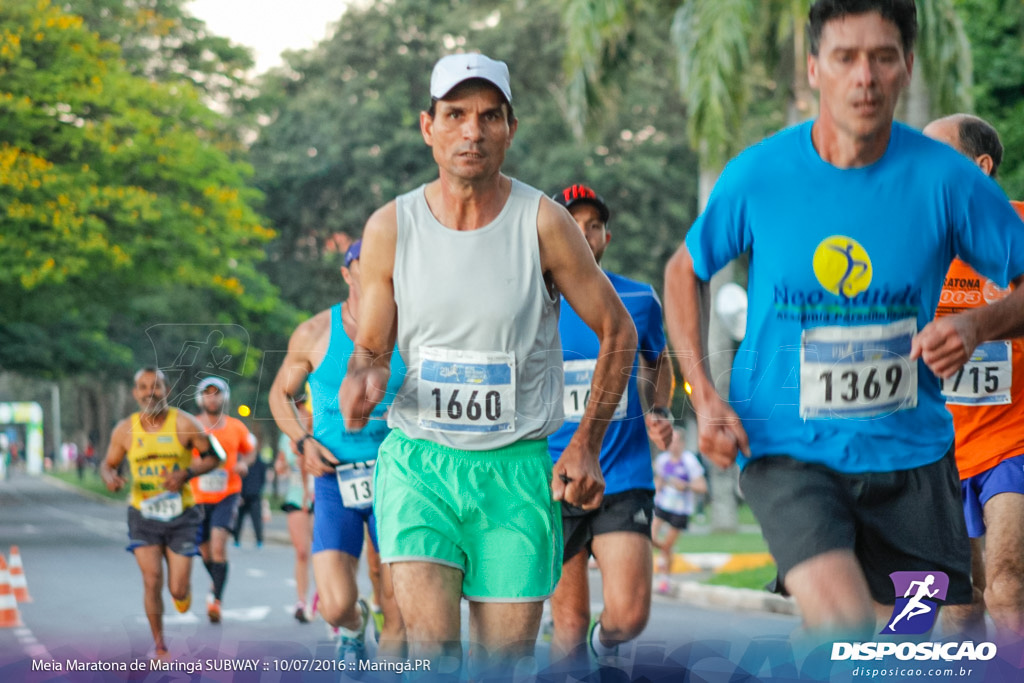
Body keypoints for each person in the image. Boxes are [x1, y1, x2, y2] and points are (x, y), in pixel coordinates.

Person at [663, 0, 1024, 636]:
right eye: (845, 58)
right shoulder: (760, 174)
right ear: (814, 69)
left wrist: (977, 325)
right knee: (846, 627)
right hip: (788, 450)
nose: (866, 77)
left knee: (927, 637)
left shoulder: (948, 180)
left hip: (911, 456)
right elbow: (683, 270)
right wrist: (704, 395)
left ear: (907, 66)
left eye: (883, 57)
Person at [339, 52, 637, 676]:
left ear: (510, 127)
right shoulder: (392, 227)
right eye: (455, 115)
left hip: (517, 475)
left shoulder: (545, 223)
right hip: (421, 466)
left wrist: (585, 443)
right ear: (428, 126)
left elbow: (619, 331)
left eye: (488, 116)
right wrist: (361, 380)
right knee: (433, 653)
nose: (471, 131)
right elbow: (371, 350)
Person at [545, 183, 674, 664]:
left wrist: (659, 411)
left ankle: (604, 652)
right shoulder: (533, 304)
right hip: (554, 479)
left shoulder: (638, 299)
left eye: (593, 226)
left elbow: (660, 362)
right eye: (573, 226)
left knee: (628, 616)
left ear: (606, 236)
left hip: (623, 472)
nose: (584, 234)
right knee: (570, 625)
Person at [269, 240, 406, 662]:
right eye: (366, 265)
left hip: (400, 480)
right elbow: (280, 395)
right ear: (347, 274)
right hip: (334, 480)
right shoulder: (314, 333)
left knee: (403, 605)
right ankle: (354, 624)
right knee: (335, 605)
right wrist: (302, 441)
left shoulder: (415, 330)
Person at [922, 113, 1024, 639]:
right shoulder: (912, 248)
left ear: (980, 168)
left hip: (1014, 441)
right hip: (937, 452)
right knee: (957, 604)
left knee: (1009, 588)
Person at [100, 367, 221, 658]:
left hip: (182, 514)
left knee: (177, 590)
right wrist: (110, 477)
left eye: (156, 386)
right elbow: (108, 464)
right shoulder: (124, 430)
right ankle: (160, 646)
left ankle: (183, 593)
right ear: (135, 393)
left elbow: (216, 457)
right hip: (143, 513)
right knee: (152, 580)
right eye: (143, 387)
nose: (149, 392)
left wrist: (186, 473)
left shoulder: (184, 423)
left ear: (166, 390)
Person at [190, 376, 257, 623]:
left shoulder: (236, 427)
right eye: (207, 393)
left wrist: (243, 463)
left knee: (219, 546)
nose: (212, 397)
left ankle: (216, 599)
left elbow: (251, 451)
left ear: (224, 397)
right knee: (205, 552)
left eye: (216, 393)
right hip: (198, 496)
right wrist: (191, 465)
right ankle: (215, 583)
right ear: (200, 398)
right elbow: (180, 453)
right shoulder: (192, 426)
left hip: (227, 493)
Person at [651, 427, 707, 594]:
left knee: (667, 544)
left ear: (682, 443)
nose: (673, 446)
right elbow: (658, 481)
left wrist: (686, 486)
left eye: (676, 442)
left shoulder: (690, 462)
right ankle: (666, 552)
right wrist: (657, 487)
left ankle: (665, 579)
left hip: (681, 510)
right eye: (670, 442)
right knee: (651, 537)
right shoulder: (662, 460)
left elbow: (702, 487)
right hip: (663, 505)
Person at [275, 407, 315, 624]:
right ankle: (302, 601)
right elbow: (280, 464)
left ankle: (324, 596)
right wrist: (280, 466)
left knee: (323, 551)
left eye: (306, 408)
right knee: (301, 551)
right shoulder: (287, 436)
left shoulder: (323, 432)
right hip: (296, 496)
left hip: (321, 497)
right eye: (298, 408)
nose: (302, 413)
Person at [232, 447, 268, 547]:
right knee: (238, 520)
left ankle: (259, 540)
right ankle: (236, 539)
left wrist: (257, 492)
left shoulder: (260, 464)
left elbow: (262, 479)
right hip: (242, 497)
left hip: (254, 497)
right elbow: (237, 479)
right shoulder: (240, 463)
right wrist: (240, 494)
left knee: (256, 520)